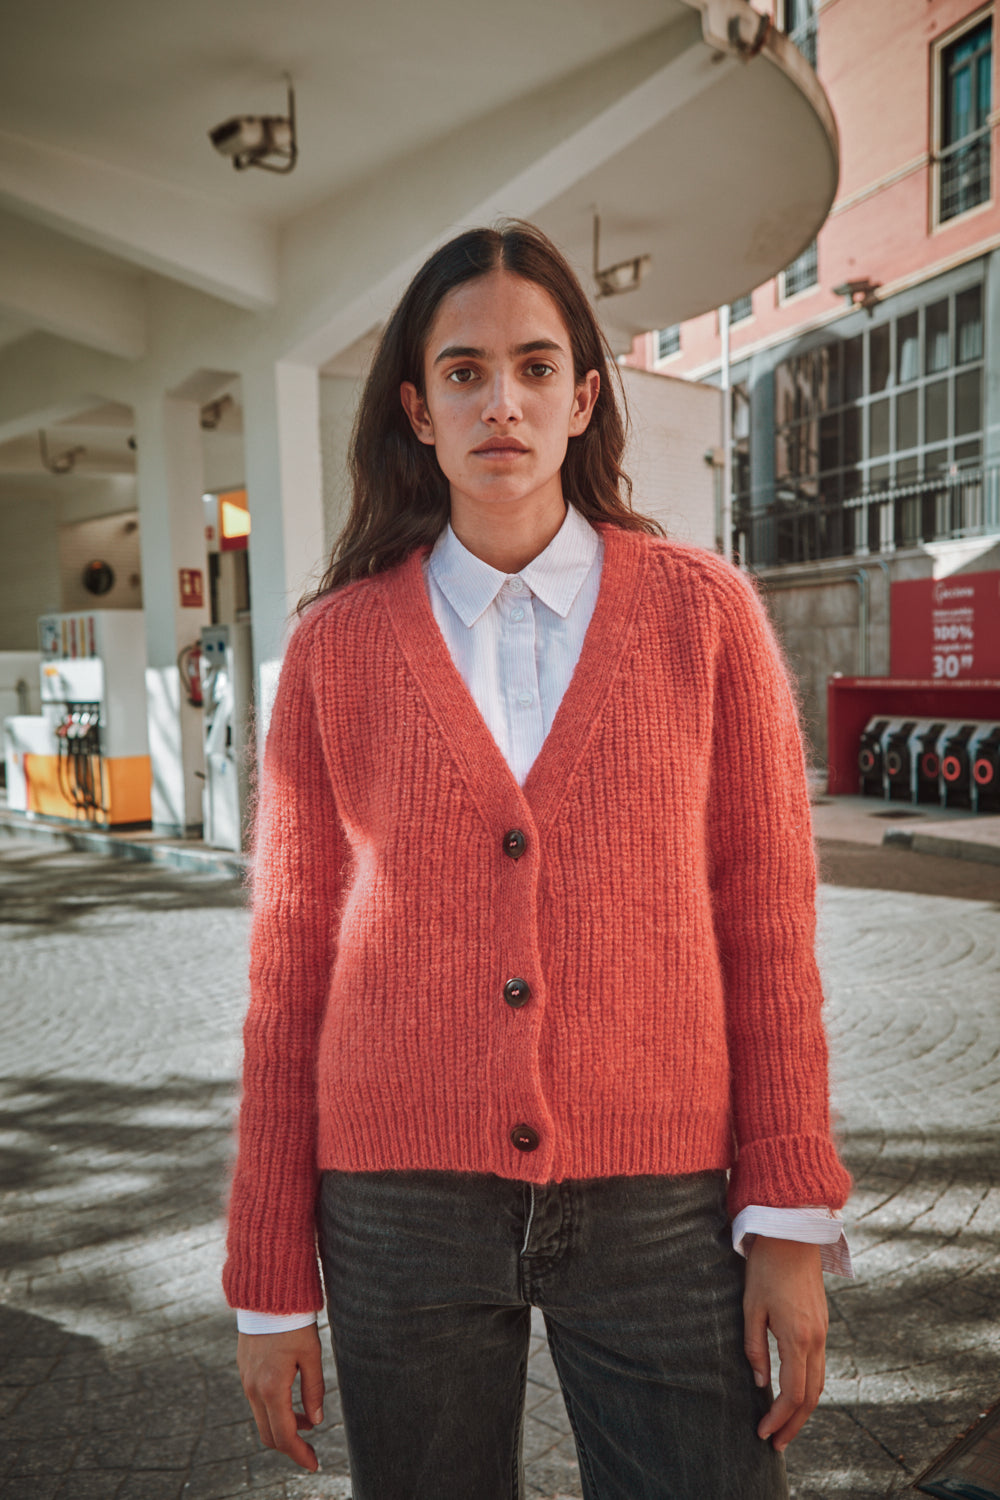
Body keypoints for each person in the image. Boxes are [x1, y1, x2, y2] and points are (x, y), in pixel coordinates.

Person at [224, 220, 852, 1500]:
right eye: (462, 371)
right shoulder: (336, 652)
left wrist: (785, 1215)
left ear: (582, 396)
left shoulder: (702, 616)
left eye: (531, 365)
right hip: (398, 1205)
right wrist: (267, 1279)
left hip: (660, 1196)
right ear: (416, 408)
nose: (498, 399)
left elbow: (766, 929)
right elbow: (288, 977)